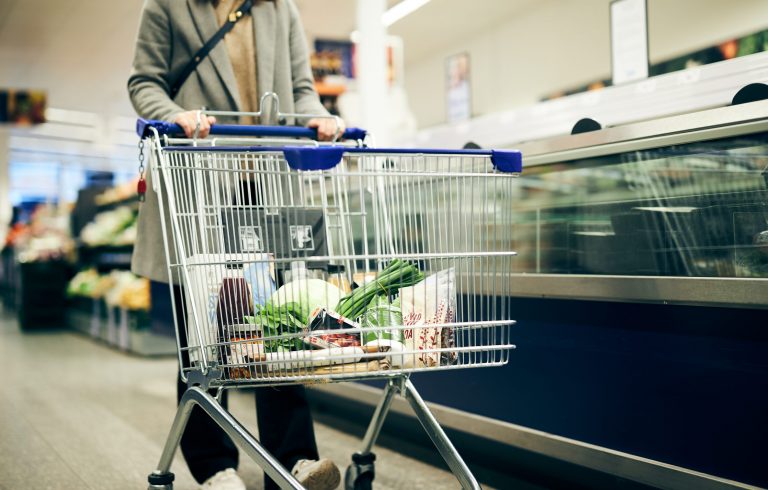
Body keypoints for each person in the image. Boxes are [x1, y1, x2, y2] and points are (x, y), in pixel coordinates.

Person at [127, 1, 344, 489]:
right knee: (204, 337)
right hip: (197, 188)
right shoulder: (168, 6)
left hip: (266, 185)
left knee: (280, 326)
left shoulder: (279, 9)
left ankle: (292, 461)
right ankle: (215, 466)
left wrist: (317, 117)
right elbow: (144, 82)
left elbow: (301, 89)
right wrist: (174, 115)